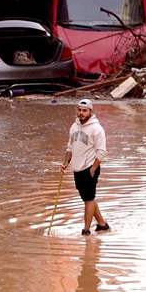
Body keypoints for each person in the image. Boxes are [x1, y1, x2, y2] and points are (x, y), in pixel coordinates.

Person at [61, 99, 109, 236]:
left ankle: (86, 231)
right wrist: (65, 163)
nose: (81, 113)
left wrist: (93, 169)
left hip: (89, 168)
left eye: (84, 110)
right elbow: (70, 148)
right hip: (77, 169)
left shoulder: (97, 129)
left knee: (88, 199)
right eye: (79, 110)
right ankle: (102, 225)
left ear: (90, 112)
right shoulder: (74, 127)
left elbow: (102, 152)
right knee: (89, 198)